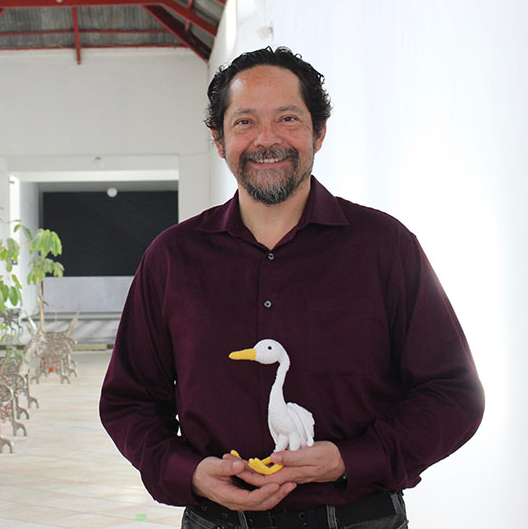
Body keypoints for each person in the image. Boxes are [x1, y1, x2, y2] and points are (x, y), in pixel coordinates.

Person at [99, 46, 484, 529]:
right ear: (219, 140)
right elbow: (129, 401)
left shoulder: (385, 247)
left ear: (318, 132)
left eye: (288, 119)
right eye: (244, 122)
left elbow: (453, 395)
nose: (267, 139)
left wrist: (351, 460)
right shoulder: (172, 258)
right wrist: (189, 472)